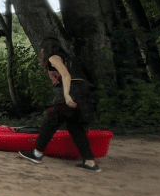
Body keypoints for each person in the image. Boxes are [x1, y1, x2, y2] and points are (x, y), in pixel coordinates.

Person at [19, 36, 100, 171]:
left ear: (46, 49)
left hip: (71, 92)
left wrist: (67, 95)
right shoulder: (71, 59)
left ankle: (37, 153)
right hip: (84, 94)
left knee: (49, 121)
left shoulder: (54, 58)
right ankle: (90, 162)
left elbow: (66, 75)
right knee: (75, 127)